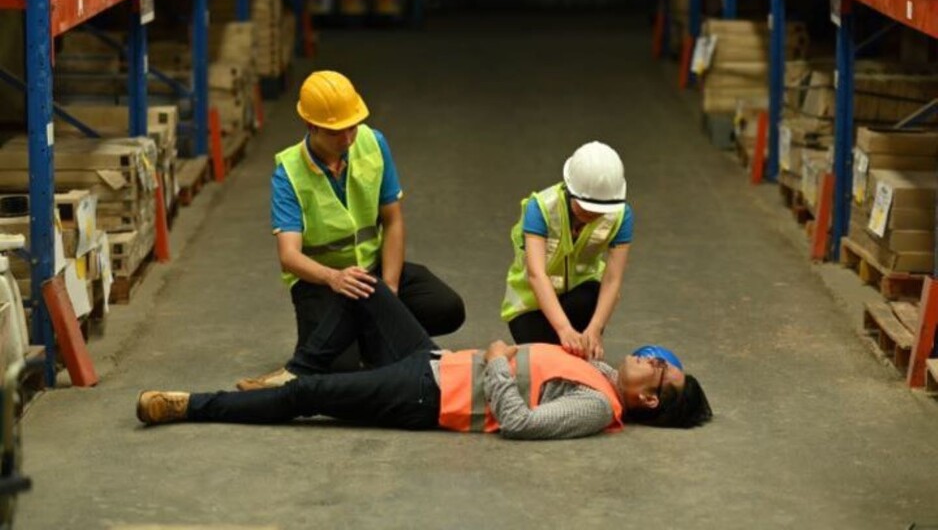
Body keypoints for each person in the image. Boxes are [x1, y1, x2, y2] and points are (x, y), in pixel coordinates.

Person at [137, 281, 712, 439]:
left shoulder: (595, 409)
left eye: (661, 366)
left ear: (651, 398)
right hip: (435, 361)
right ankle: (302, 364)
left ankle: (192, 407)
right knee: (366, 289)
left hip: (428, 395)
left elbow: (520, 422)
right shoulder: (603, 375)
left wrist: (494, 359)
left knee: (306, 402)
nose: (654, 355)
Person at [238, 70, 465, 390]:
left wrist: (389, 291)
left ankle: (367, 333)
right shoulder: (288, 172)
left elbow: (393, 221)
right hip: (323, 284)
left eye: (352, 128)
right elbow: (289, 256)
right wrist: (334, 278)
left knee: (448, 308)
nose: (347, 139)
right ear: (311, 125)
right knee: (340, 368)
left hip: (372, 271)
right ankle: (366, 338)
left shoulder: (373, 143)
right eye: (336, 133)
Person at [501, 141, 633, 361]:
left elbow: (612, 279)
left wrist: (595, 328)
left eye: (600, 209)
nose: (593, 213)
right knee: (545, 356)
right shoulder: (541, 207)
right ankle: (570, 346)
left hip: (580, 302)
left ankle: (582, 342)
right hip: (531, 307)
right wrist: (563, 329)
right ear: (570, 190)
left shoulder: (621, 215)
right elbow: (537, 274)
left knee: (592, 294)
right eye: (586, 205)